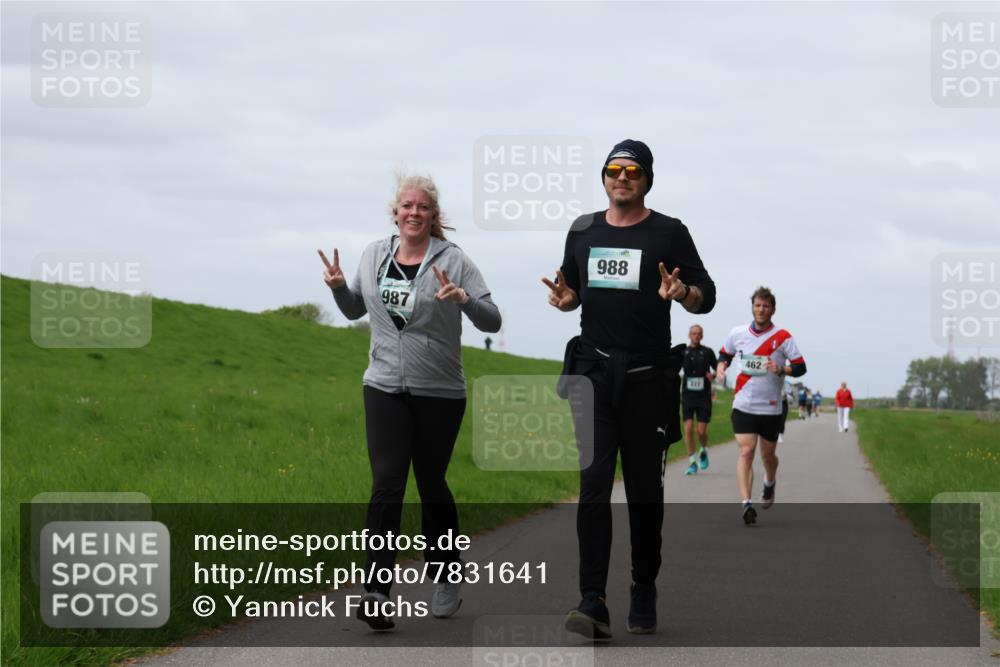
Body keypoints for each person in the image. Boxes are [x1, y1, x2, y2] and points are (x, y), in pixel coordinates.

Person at [543, 139, 715, 638]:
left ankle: (643, 585)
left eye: (633, 171)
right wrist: (567, 299)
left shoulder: (669, 232)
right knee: (594, 486)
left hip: (647, 380)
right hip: (595, 376)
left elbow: (706, 296)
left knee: (643, 494)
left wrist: (682, 293)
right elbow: (573, 290)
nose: (622, 177)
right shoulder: (583, 229)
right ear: (604, 177)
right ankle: (592, 599)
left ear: (647, 180)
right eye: (614, 169)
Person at [321, 173, 502, 630]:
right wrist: (339, 287)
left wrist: (463, 299)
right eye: (407, 205)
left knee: (431, 483)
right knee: (387, 484)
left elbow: (492, 320)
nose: (414, 213)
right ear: (395, 212)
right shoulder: (374, 255)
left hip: (439, 391)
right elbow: (355, 309)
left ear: (433, 215)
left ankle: (446, 572)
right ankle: (377, 592)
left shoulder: (454, 260)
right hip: (383, 385)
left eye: (422, 207)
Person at [717, 287, 806, 526]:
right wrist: (721, 367)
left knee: (768, 456)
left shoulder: (783, 337)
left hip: (770, 408)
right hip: (743, 404)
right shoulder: (737, 333)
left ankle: (769, 482)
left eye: (766, 306)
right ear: (752, 307)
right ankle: (746, 503)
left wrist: (783, 369)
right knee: (746, 452)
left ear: (773, 309)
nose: (761, 309)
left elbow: (800, 367)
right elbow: (724, 354)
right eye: (758, 305)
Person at [681, 324, 717, 474]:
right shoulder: (683, 352)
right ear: (689, 335)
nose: (696, 336)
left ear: (702, 336)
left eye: (698, 333)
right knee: (688, 429)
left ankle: (703, 449)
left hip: (703, 396)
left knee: (701, 431)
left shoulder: (707, 352)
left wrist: (713, 375)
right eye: (693, 333)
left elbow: (718, 368)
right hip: (688, 395)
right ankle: (692, 462)